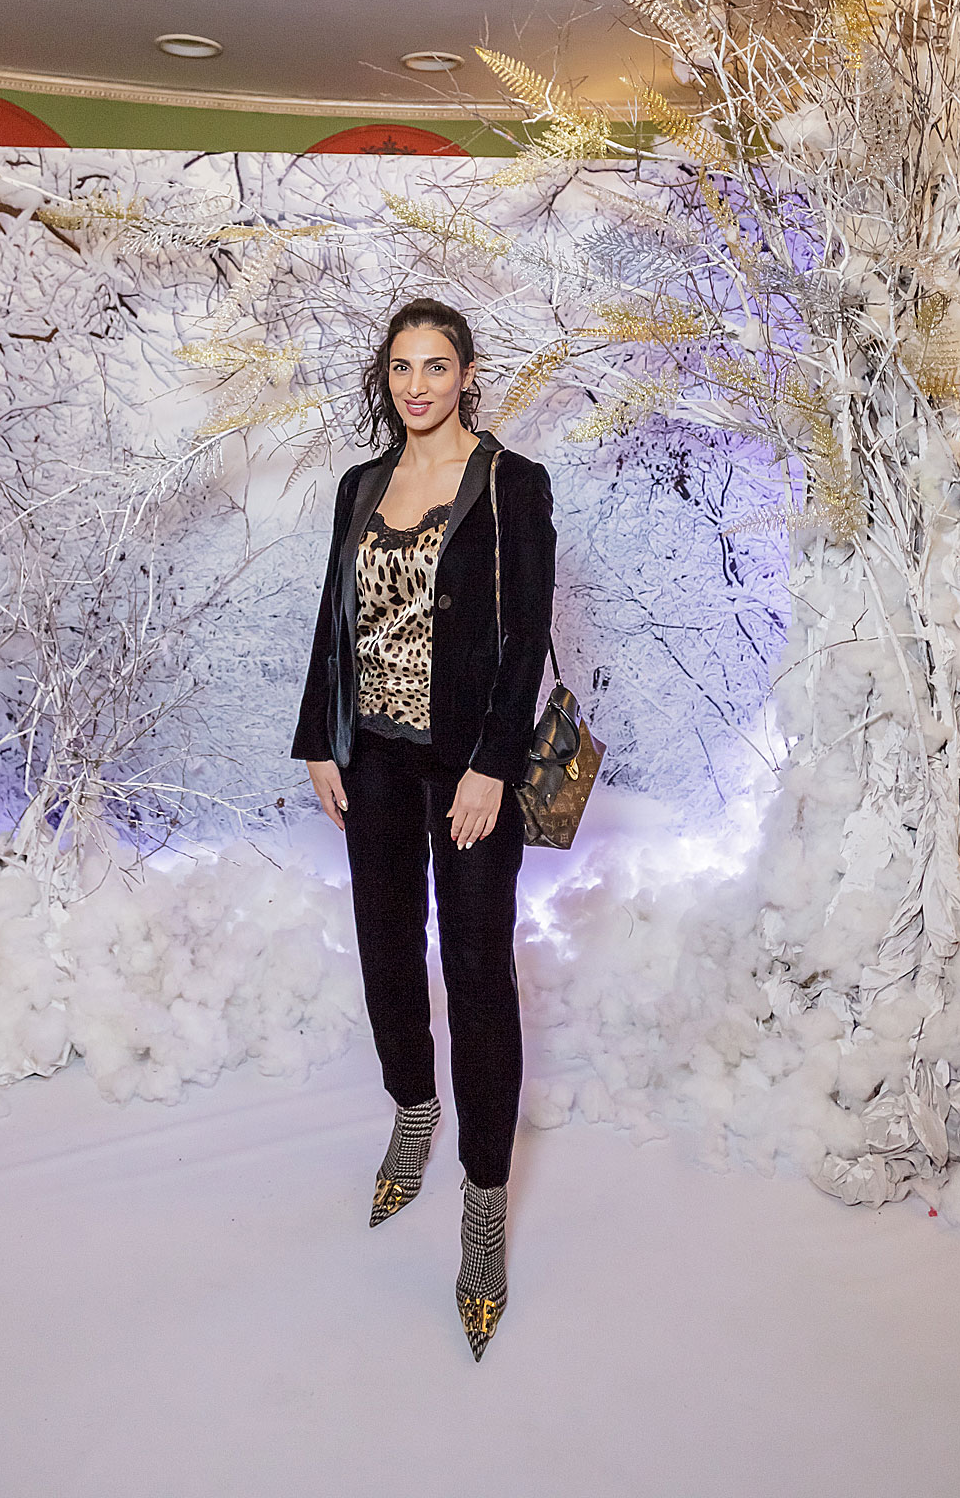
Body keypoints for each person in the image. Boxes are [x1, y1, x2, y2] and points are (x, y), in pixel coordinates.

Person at [292, 298, 556, 1362]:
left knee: (477, 971)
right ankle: (412, 1107)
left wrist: (491, 762)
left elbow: (526, 634)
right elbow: (335, 617)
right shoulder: (361, 485)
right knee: (385, 947)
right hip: (372, 760)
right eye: (401, 367)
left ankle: (483, 1204)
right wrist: (320, 738)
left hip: (466, 768)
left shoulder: (512, 482)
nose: (416, 385)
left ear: (467, 373)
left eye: (435, 366)